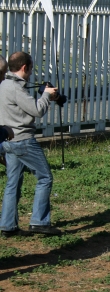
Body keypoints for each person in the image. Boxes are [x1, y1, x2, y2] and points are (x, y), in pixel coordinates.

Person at [0, 51, 61, 237]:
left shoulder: (3, 84)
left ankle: (7, 225)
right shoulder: (15, 88)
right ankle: (39, 222)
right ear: (25, 67)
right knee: (45, 177)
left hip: (8, 141)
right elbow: (36, 110)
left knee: (13, 182)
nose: (31, 72)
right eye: (31, 68)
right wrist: (46, 95)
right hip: (23, 141)